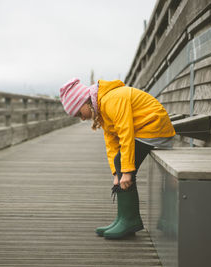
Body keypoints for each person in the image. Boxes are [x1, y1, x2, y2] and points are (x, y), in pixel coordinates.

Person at [59, 78, 175, 239]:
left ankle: (130, 220)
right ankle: (123, 218)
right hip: (144, 129)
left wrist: (126, 172)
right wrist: (116, 174)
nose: (82, 118)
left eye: (79, 113)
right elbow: (111, 142)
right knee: (118, 161)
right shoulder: (101, 107)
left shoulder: (112, 99)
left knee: (122, 161)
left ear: (85, 103)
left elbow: (126, 134)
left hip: (153, 126)